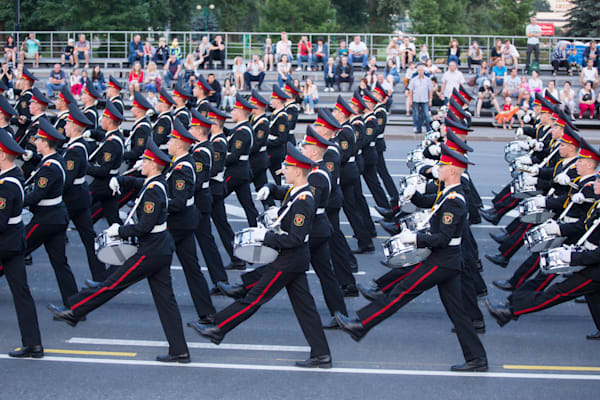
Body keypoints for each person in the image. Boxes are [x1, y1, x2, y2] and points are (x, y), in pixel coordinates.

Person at [336, 144, 488, 372]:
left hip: (443, 260)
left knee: (401, 291)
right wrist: (414, 197)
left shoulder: (455, 200)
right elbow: (432, 205)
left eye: (443, 165)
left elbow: (443, 237)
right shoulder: (447, 193)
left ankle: (361, 324)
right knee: (458, 312)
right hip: (447, 260)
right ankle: (477, 358)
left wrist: (415, 239)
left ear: (454, 169)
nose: (439, 168)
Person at [191, 142, 332, 369]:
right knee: (305, 308)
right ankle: (321, 354)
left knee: (255, 297)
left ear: (298, 171)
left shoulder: (305, 200)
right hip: (292, 258)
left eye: (287, 167)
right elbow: (284, 194)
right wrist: (270, 188)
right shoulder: (298, 192)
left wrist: (264, 236)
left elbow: (295, 238)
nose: (283, 169)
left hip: (290, 259)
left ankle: (218, 328)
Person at [50, 139, 191, 364]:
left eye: (145, 160)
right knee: (166, 302)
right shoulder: (157, 183)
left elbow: (144, 226)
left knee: (112, 283)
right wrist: (121, 179)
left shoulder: (154, 190)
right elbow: (138, 183)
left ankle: (74, 310)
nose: (141, 163)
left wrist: (119, 231)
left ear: (153, 164)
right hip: (160, 247)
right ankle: (179, 350)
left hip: (152, 249)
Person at [25, 118, 79, 306]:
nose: (36, 142)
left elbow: (36, 195)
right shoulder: (54, 160)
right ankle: (73, 302)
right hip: (56, 216)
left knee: (15, 249)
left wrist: (17, 201)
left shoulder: (50, 168)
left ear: (46, 143)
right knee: (59, 261)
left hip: (46, 218)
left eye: (39, 139)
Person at [0, 128, 44, 359]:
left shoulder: (7, 185)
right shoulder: (12, 176)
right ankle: (33, 344)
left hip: (5, 243)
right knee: (22, 293)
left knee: (22, 293)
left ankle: (33, 344)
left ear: (3, 155)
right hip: (14, 242)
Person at [223, 94, 259, 227]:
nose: (232, 112)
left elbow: (233, 157)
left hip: (235, 171)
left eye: (234, 110)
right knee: (248, 206)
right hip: (242, 171)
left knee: (214, 198)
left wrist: (218, 158)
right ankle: (256, 229)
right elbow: (230, 133)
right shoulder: (241, 129)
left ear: (240, 112)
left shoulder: (242, 132)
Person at [408, 64, 433, 134]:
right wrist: (410, 100)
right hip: (416, 99)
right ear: (417, 71)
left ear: (423, 71)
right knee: (416, 114)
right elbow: (411, 91)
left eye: (421, 70)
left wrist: (430, 99)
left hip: (425, 99)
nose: (420, 72)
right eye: (419, 70)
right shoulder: (413, 80)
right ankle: (418, 128)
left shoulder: (428, 80)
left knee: (426, 114)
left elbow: (430, 90)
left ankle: (429, 128)